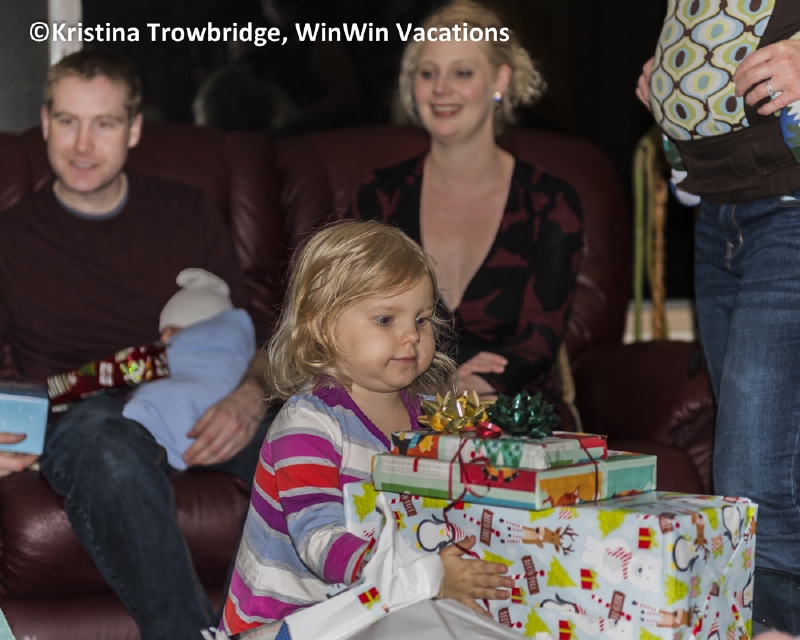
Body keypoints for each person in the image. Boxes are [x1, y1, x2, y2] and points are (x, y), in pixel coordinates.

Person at [0, 49, 272, 639]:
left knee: (313, 436)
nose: (82, 145)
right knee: (108, 449)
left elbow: (256, 335)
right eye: (68, 121)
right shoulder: (10, 239)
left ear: (134, 128)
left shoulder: (187, 211)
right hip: (84, 418)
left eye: (104, 123)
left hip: (197, 395)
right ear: (45, 124)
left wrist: (251, 397)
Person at [220, 221, 514, 635]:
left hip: (383, 607)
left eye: (422, 319)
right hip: (287, 624)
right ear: (322, 328)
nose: (411, 336)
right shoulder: (309, 423)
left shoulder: (431, 419)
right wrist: (424, 574)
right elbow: (319, 541)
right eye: (385, 319)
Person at [636, 2, 800, 633]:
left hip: (790, 211)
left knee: (756, 481)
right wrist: (670, 83)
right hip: (717, 216)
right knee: (756, 477)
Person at [350, 0, 583, 426]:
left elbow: (538, 341)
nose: (441, 88)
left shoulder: (551, 202)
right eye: (427, 74)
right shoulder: (379, 197)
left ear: (499, 80)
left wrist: (467, 388)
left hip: (513, 408)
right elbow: (358, 323)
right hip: (400, 402)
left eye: (461, 73)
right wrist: (438, 388)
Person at [123, 268, 256, 471]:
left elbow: (125, 370)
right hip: (226, 412)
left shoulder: (173, 348)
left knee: (154, 397)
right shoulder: (243, 343)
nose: (163, 339)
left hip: (185, 404)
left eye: (169, 331)